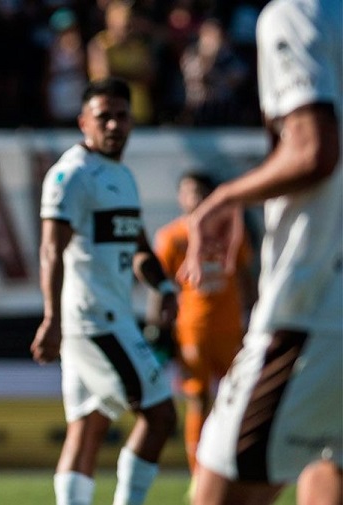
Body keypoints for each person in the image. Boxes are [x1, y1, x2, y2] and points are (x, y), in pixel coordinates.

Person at [178, 0, 342, 503]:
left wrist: (225, 197)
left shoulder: (296, 13)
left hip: (313, 308)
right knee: (327, 468)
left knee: (216, 492)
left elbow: (313, 150)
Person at [32, 77, 178, 505]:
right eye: (103, 117)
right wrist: (51, 319)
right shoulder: (72, 174)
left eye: (121, 116)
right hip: (95, 320)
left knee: (88, 425)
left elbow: (138, 246)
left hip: (108, 315)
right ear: (83, 122)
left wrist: (164, 285)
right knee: (160, 415)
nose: (114, 125)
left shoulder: (123, 175)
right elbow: (50, 250)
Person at [149, 171, 256, 474]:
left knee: (235, 398)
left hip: (230, 328)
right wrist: (156, 324)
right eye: (186, 192)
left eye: (198, 192)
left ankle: (232, 467)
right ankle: (199, 472)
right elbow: (161, 284)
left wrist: (253, 317)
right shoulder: (171, 236)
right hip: (192, 330)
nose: (192, 198)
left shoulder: (231, 232)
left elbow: (245, 276)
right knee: (197, 398)